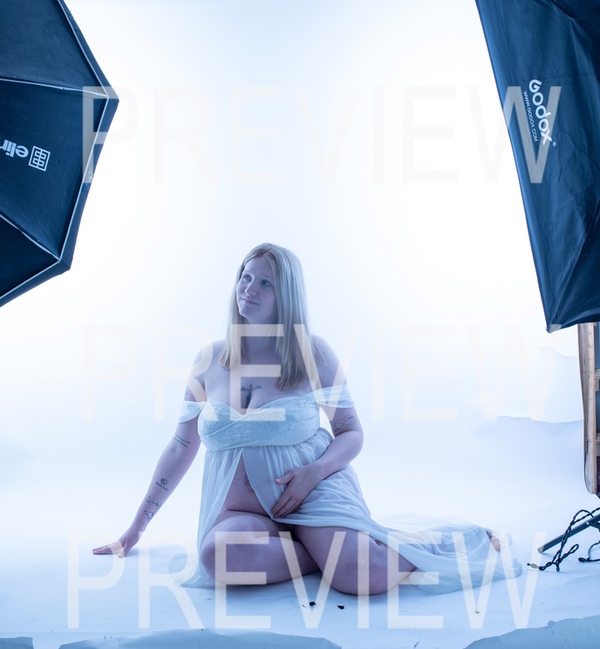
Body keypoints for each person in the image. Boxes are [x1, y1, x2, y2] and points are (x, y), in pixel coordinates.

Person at [94, 242, 516, 595]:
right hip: (242, 510)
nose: (249, 289)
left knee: (360, 576)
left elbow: (350, 432)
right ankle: (322, 554)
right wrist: (137, 527)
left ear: (287, 296)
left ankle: (445, 543)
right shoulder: (209, 359)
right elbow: (181, 445)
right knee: (218, 558)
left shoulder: (312, 353)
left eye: (265, 283)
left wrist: (314, 473)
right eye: (245, 277)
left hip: (314, 491)